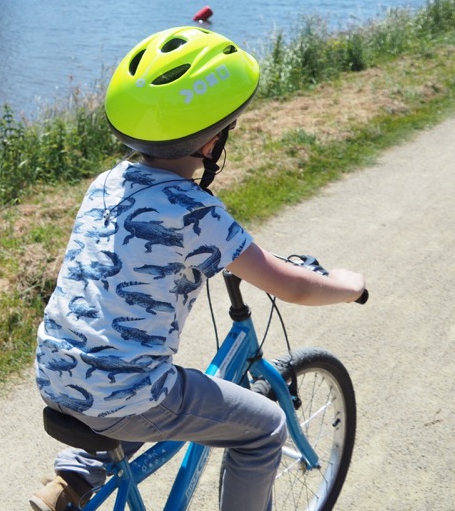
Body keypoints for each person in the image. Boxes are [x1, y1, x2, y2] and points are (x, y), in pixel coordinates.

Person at [30, 26, 366, 511]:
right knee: (263, 426)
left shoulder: (106, 182)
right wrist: (348, 286)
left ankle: (73, 481)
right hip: (128, 394)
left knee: (121, 372)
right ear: (211, 143)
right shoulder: (197, 213)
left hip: (55, 373)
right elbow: (291, 285)